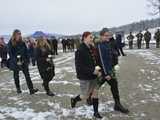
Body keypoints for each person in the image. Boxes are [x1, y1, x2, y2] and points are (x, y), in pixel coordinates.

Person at [97, 28, 129, 114]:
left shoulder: (108, 43)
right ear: (101, 36)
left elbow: (112, 55)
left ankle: (117, 104)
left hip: (110, 70)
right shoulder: (99, 45)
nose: (108, 37)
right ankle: (88, 97)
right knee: (96, 86)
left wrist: (115, 65)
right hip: (103, 71)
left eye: (109, 35)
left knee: (114, 85)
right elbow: (102, 60)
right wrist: (106, 73)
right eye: (106, 36)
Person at [71, 32, 103, 118]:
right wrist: (92, 71)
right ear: (84, 38)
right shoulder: (80, 50)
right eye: (90, 37)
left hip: (94, 75)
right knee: (85, 95)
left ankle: (96, 112)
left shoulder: (92, 48)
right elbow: (79, 67)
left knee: (95, 93)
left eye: (92, 37)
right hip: (84, 76)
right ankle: (74, 99)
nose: (92, 39)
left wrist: (98, 70)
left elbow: (95, 60)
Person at [7, 29, 38, 94]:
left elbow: (26, 51)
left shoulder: (22, 42)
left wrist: (27, 59)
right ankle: (18, 89)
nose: (19, 35)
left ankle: (31, 89)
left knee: (27, 75)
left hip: (24, 61)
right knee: (16, 76)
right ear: (14, 35)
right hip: (15, 62)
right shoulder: (10, 43)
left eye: (20, 34)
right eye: (18, 34)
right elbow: (10, 54)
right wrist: (16, 61)